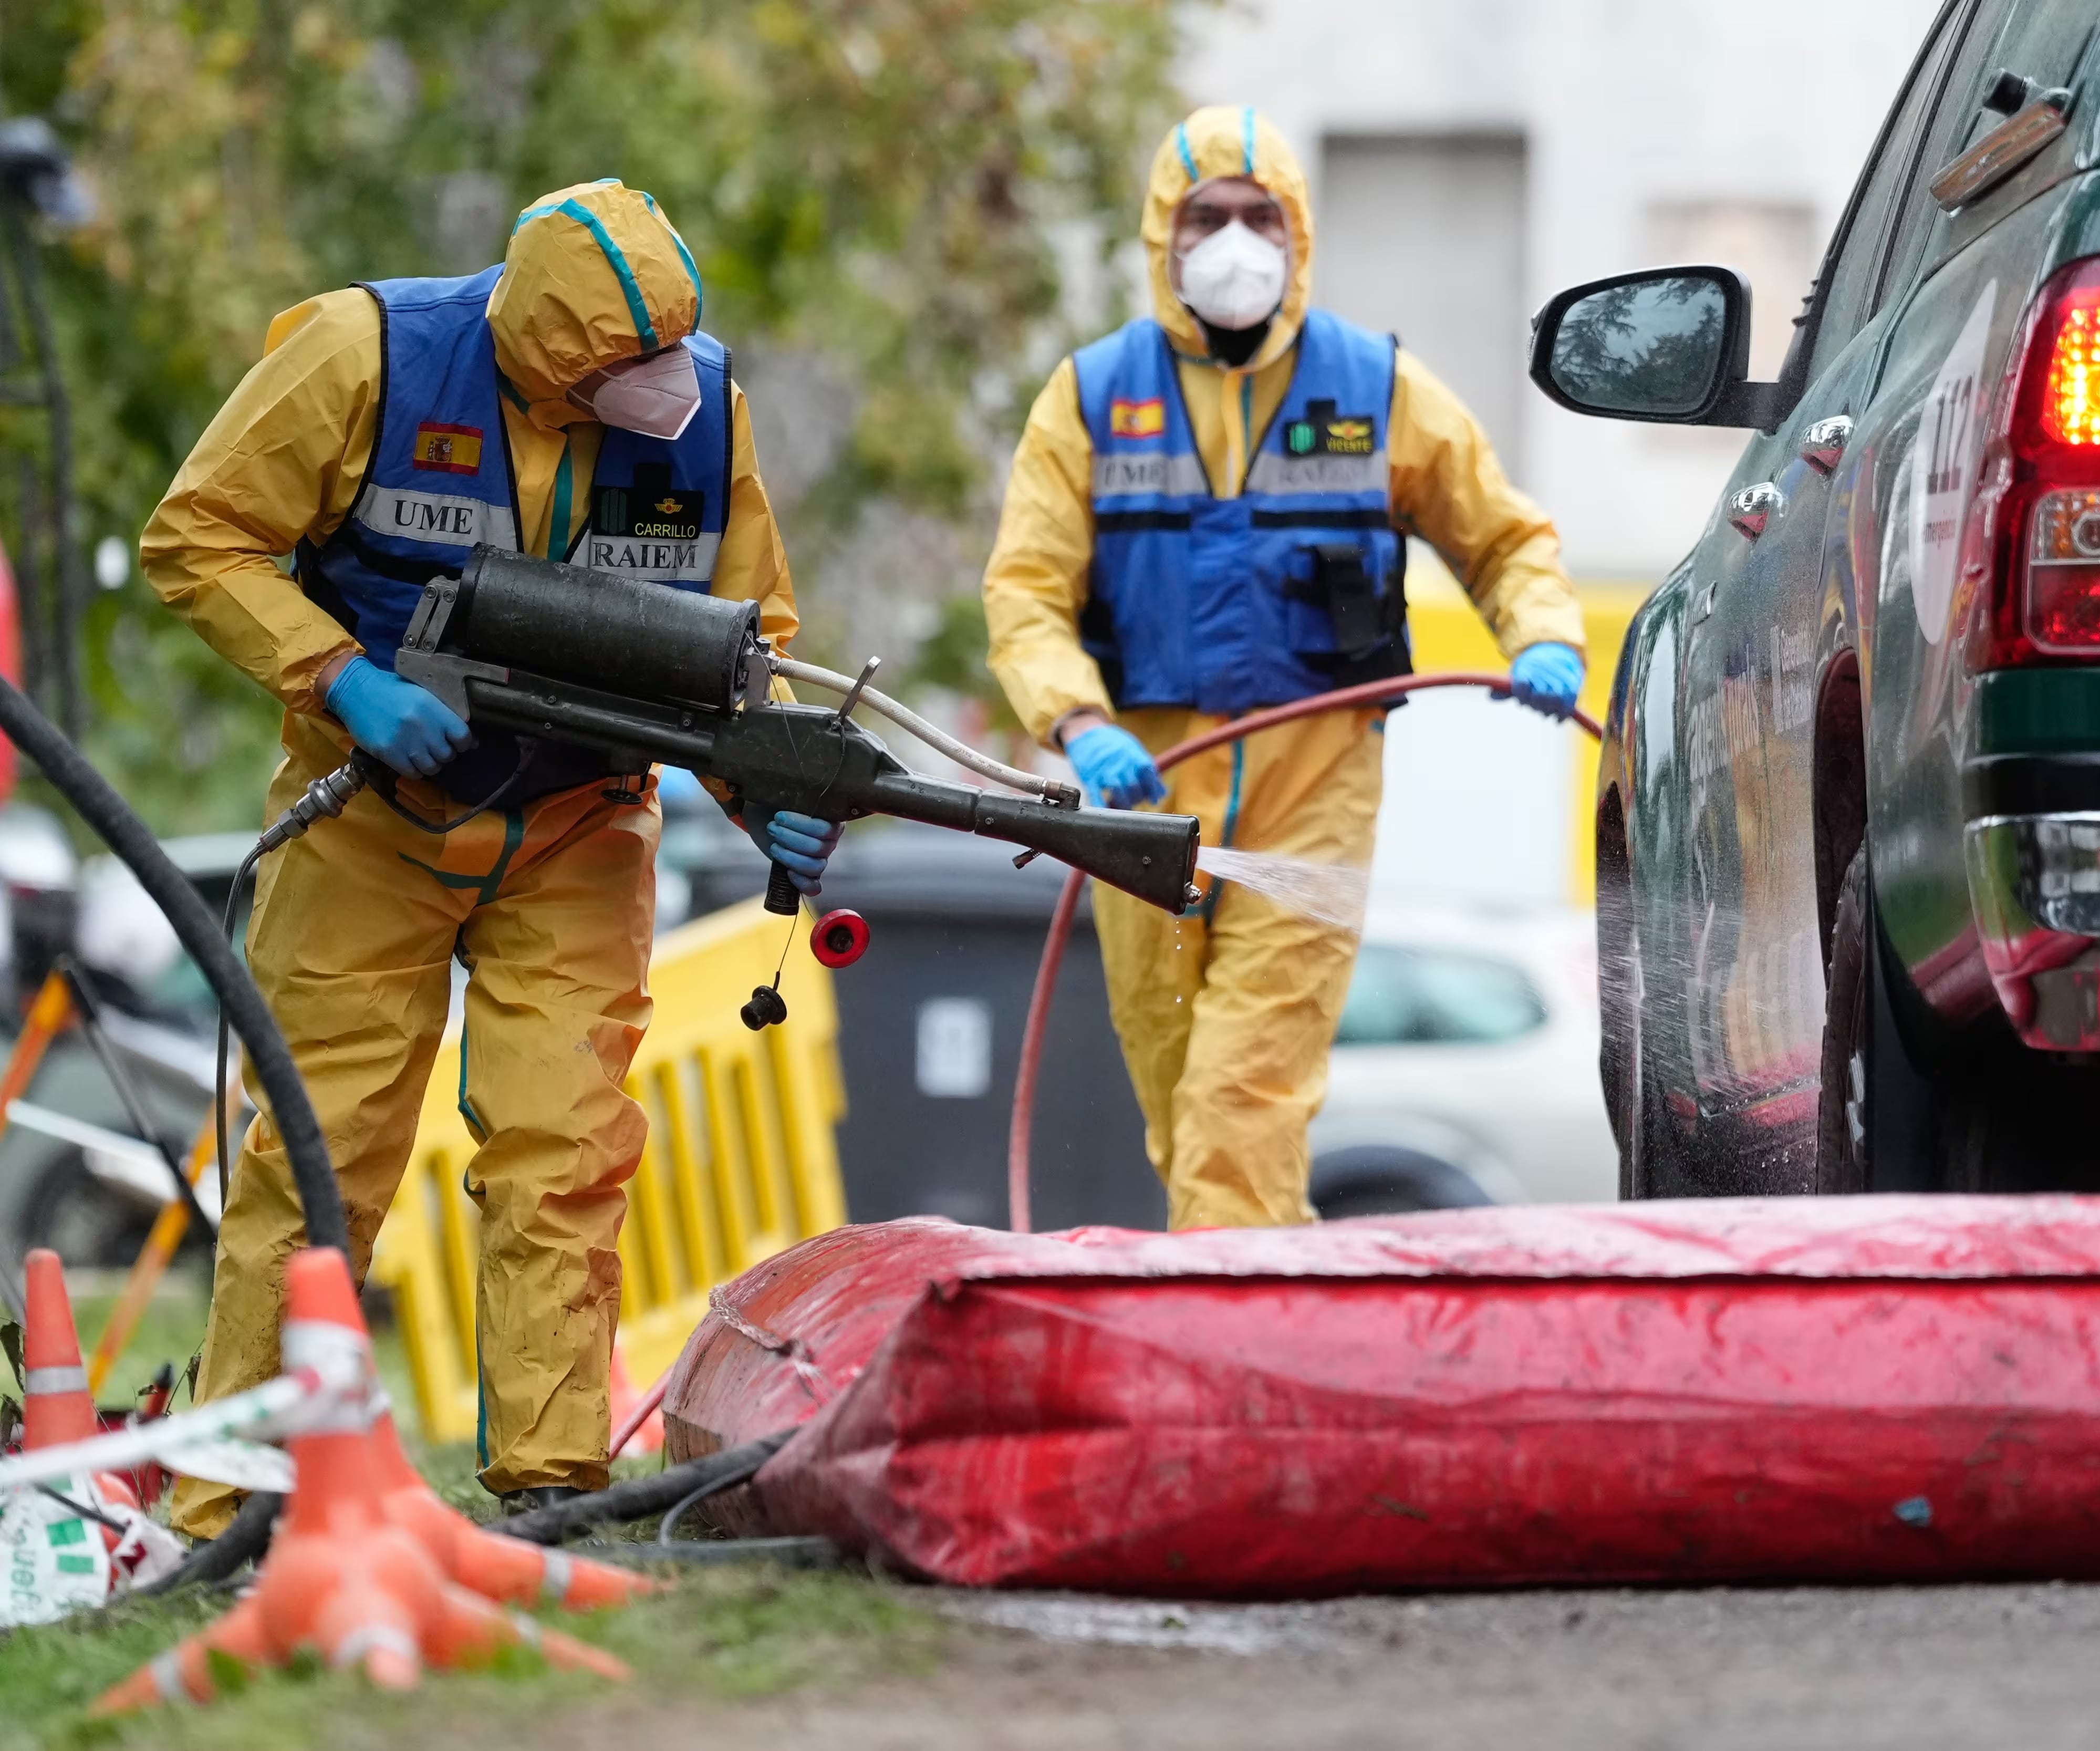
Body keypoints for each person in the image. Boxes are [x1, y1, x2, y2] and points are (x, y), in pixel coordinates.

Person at [145, 180, 839, 1531]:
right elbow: (200, 534)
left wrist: (769, 789)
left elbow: (747, 642)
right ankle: (231, 1494)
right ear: (545, 356)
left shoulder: (703, 413)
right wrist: (341, 680)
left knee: (565, 1147)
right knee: (315, 1155)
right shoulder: (365, 359)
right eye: (620, 368)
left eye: (666, 354)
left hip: (581, 824)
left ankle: (549, 1481)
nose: (661, 387)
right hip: (371, 820)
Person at [984, 106, 1586, 1231]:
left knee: (1240, 1098)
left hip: (1315, 795)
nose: (1234, 240)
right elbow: (1025, 590)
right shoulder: (1090, 395)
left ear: (1297, 234)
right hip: (1142, 792)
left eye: (1260, 216)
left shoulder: (1374, 388)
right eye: (1208, 215)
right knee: (1181, 1104)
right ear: (1164, 234)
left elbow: (1502, 538)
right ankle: (1268, 1296)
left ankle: (1224, 1357)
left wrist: (1541, 632)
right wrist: (1077, 722)